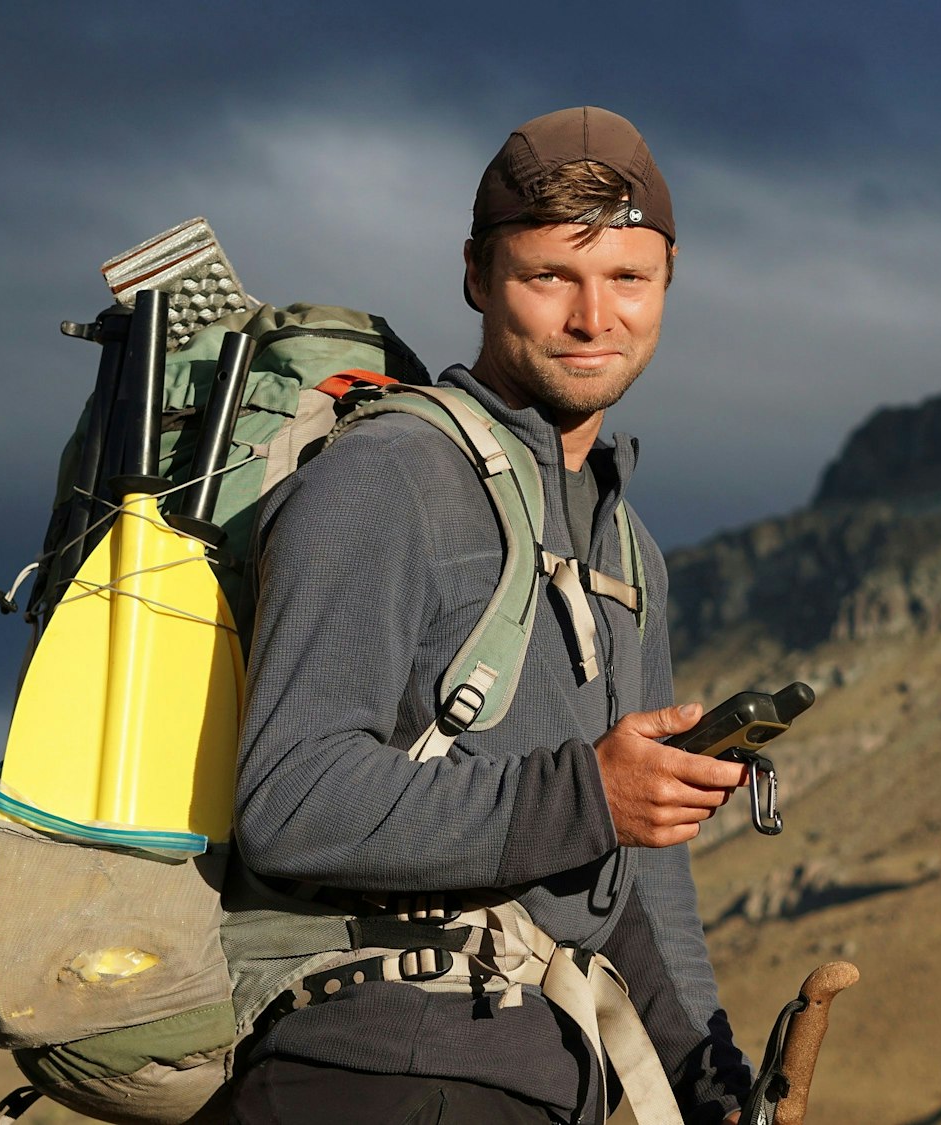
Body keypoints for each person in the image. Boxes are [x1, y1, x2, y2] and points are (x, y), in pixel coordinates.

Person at [229, 106, 753, 1125]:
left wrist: (708, 1083)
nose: (592, 317)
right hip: (370, 1077)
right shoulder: (385, 478)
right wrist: (587, 796)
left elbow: (642, 888)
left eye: (626, 279)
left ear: (669, 278)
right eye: (550, 276)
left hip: (550, 1088)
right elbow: (289, 799)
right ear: (476, 276)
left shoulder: (626, 549)